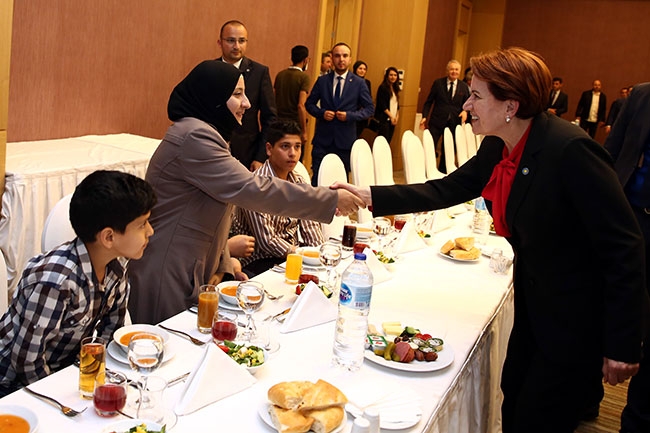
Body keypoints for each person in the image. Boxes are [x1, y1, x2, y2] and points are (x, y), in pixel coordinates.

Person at [335, 47, 648, 433]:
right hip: (535, 304)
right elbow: (449, 188)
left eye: (477, 95)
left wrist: (622, 342)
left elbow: (624, 247)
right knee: (513, 396)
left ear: (510, 105)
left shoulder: (570, 151)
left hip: (574, 317)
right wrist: (369, 196)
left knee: (541, 415)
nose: (467, 105)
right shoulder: (501, 143)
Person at [128, 60, 364, 324]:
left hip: (192, 268)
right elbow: (254, 189)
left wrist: (225, 267)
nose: (248, 103)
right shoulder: (194, 136)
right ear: (213, 98)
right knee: (170, 352)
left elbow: (214, 213)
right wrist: (330, 199)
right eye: (237, 94)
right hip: (168, 270)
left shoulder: (206, 133)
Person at [0, 170, 156, 396]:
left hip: (62, 375)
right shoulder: (57, 281)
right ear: (109, 237)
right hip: (12, 385)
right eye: (142, 224)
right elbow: (26, 362)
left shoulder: (117, 265)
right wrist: (63, 399)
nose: (150, 231)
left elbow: (110, 333)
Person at [604, 82, 650, 433]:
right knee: (604, 303)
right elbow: (611, 154)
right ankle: (585, 398)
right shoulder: (642, 95)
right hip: (629, 216)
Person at [232, 120, 324, 277]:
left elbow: (311, 226)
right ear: (269, 149)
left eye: (297, 147)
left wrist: (318, 255)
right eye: (285, 146)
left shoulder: (299, 182)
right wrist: (302, 254)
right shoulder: (255, 185)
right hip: (258, 262)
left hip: (291, 258)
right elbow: (266, 241)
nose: (293, 153)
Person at [305, 42, 374, 183]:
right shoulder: (322, 81)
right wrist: (322, 113)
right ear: (332, 58)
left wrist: (350, 116)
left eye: (345, 56)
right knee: (318, 179)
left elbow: (369, 109)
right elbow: (309, 104)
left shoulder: (359, 83)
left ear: (350, 59)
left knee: (341, 182)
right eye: (337, 56)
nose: (341, 59)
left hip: (345, 141)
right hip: (323, 140)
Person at [217, 20, 277, 171]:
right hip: (214, 149)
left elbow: (270, 118)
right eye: (231, 40)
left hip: (247, 153)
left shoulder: (259, 72)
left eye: (241, 41)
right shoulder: (210, 70)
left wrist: (260, 157)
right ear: (220, 42)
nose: (236, 46)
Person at [419, 59, 471, 173]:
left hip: (454, 122)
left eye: (456, 69)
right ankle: (427, 170)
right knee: (430, 146)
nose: (454, 72)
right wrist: (424, 116)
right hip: (437, 121)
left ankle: (443, 172)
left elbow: (468, 104)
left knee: (448, 149)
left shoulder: (463, 86)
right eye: (452, 69)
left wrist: (465, 111)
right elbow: (429, 101)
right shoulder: (438, 83)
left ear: (460, 71)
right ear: (447, 70)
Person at [274, 45, 311, 150]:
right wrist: (304, 131)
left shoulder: (280, 75)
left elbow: (274, 99)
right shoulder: (304, 77)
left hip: (279, 122)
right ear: (305, 60)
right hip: (295, 125)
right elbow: (301, 105)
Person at [374, 66, 400, 143]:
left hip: (392, 120)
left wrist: (396, 117)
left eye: (395, 75)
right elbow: (382, 105)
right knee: (382, 142)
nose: (393, 77)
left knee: (388, 141)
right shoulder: (383, 87)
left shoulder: (395, 88)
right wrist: (391, 116)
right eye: (391, 75)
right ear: (387, 76)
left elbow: (397, 105)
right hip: (384, 119)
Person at [352, 60, 372, 138]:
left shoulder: (367, 82)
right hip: (353, 111)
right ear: (355, 69)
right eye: (360, 68)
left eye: (364, 69)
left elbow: (368, 97)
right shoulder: (351, 81)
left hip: (363, 113)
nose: (362, 71)